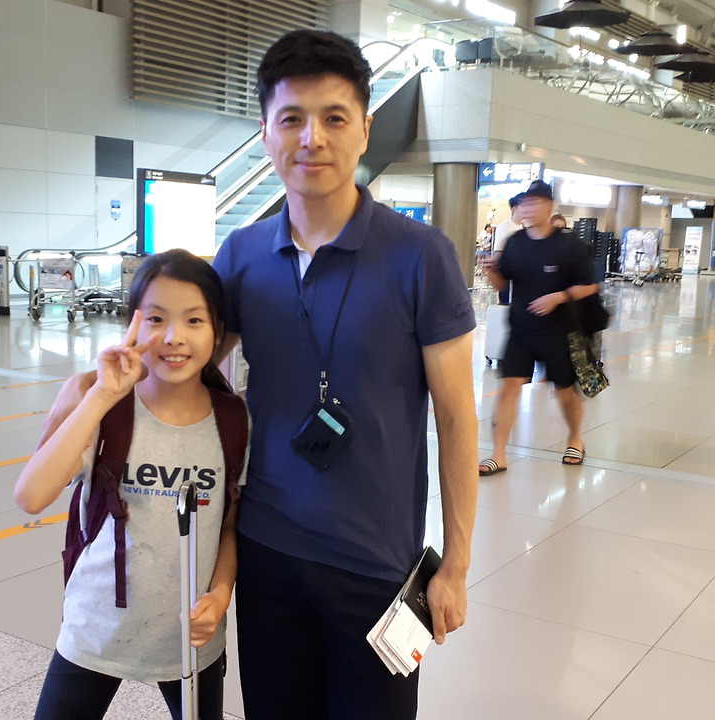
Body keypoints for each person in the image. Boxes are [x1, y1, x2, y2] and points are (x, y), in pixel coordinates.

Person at [211, 30, 479, 720]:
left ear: (364, 129)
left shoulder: (420, 255)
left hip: (379, 565)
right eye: (291, 119)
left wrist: (455, 564)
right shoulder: (240, 254)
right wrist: (95, 393)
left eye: (334, 118)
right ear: (266, 133)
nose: (312, 139)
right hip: (267, 551)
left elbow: (456, 416)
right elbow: (186, 374)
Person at [16, 250, 247, 720]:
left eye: (194, 320)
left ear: (218, 331)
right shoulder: (105, 407)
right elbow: (31, 496)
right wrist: (101, 395)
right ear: (133, 326)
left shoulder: (235, 421)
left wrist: (221, 594)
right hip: (96, 629)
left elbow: (229, 525)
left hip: (189, 642)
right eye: (156, 319)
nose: (174, 337)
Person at [482, 179, 600, 471]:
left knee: (564, 390)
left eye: (534, 203)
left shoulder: (568, 245)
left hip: (559, 331)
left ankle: (575, 438)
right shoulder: (515, 243)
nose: (527, 209)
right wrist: (491, 271)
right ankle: (498, 454)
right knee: (509, 386)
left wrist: (559, 297)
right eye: (524, 203)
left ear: (549, 207)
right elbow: (503, 284)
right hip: (521, 330)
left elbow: (590, 285)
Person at [492, 194, 526, 305]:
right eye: (523, 206)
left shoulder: (526, 226)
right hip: (508, 276)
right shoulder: (504, 226)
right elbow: (498, 252)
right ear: (514, 209)